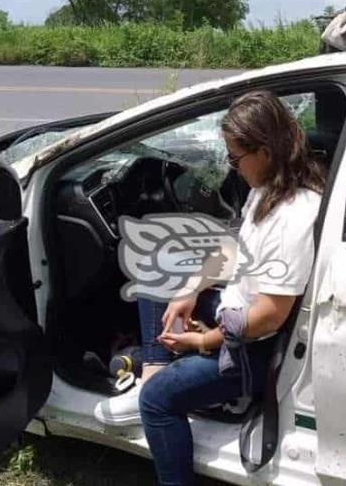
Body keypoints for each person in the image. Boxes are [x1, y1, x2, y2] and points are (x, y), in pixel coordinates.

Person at [94, 89, 325, 485]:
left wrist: (204, 343)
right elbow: (233, 247)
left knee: (157, 402)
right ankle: (154, 366)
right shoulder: (268, 189)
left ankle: (155, 389)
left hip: (251, 349)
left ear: (265, 151)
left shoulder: (294, 216)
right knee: (154, 278)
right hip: (234, 311)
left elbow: (270, 316)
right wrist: (190, 290)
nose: (232, 167)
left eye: (235, 157)